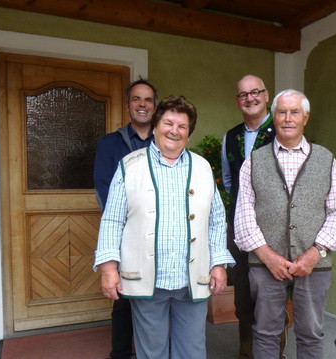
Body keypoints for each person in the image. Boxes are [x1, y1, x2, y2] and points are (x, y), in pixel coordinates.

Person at [94, 95, 235, 359]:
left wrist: (218, 264)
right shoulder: (129, 165)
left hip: (191, 279)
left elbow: (217, 219)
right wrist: (109, 268)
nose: (175, 131)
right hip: (148, 281)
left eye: (182, 127)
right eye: (169, 123)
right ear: (156, 126)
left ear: (189, 135)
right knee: (152, 351)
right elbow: (112, 219)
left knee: (192, 351)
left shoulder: (202, 167)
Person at [234, 89, 336, 359]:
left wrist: (315, 253)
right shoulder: (254, 161)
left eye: (294, 112)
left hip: (313, 265)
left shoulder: (325, 159)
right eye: (282, 112)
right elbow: (244, 212)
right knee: (265, 332)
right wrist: (267, 255)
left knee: (311, 333)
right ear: (273, 117)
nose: (288, 118)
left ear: (305, 117)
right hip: (265, 264)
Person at [94, 76, 157, 359]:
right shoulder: (110, 144)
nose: (142, 104)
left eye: (148, 100)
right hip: (123, 232)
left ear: (154, 107)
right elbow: (104, 188)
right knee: (123, 297)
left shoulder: (165, 140)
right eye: (136, 99)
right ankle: (120, 353)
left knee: (156, 292)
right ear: (127, 105)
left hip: (160, 231)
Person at [220, 75, 279, 359]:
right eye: (243, 94)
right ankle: (247, 354)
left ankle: (274, 354)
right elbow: (229, 183)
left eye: (255, 92)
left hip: (275, 231)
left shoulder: (283, 130)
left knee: (273, 299)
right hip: (241, 231)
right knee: (244, 299)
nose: (250, 98)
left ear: (266, 95)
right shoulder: (230, 137)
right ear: (237, 101)